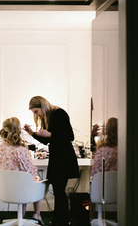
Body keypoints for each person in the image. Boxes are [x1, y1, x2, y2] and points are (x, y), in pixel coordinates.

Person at [23, 96, 79, 226]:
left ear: (42, 106)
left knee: (60, 192)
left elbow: (70, 136)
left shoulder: (59, 113)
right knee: (58, 191)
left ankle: (60, 222)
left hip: (63, 159)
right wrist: (32, 133)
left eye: (36, 111)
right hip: (57, 159)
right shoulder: (47, 117)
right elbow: (48, 141)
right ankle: (59, 221)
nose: (36, 115)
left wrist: (50, 134)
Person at [0, 117, 45, 225]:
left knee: (23, 180)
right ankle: (37, 214)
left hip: (5, 190)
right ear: (19, 131)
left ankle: (23, 216)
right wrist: (35, 173)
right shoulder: (21, 149)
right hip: (20, 189)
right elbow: (29, 171)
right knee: (33, 179)